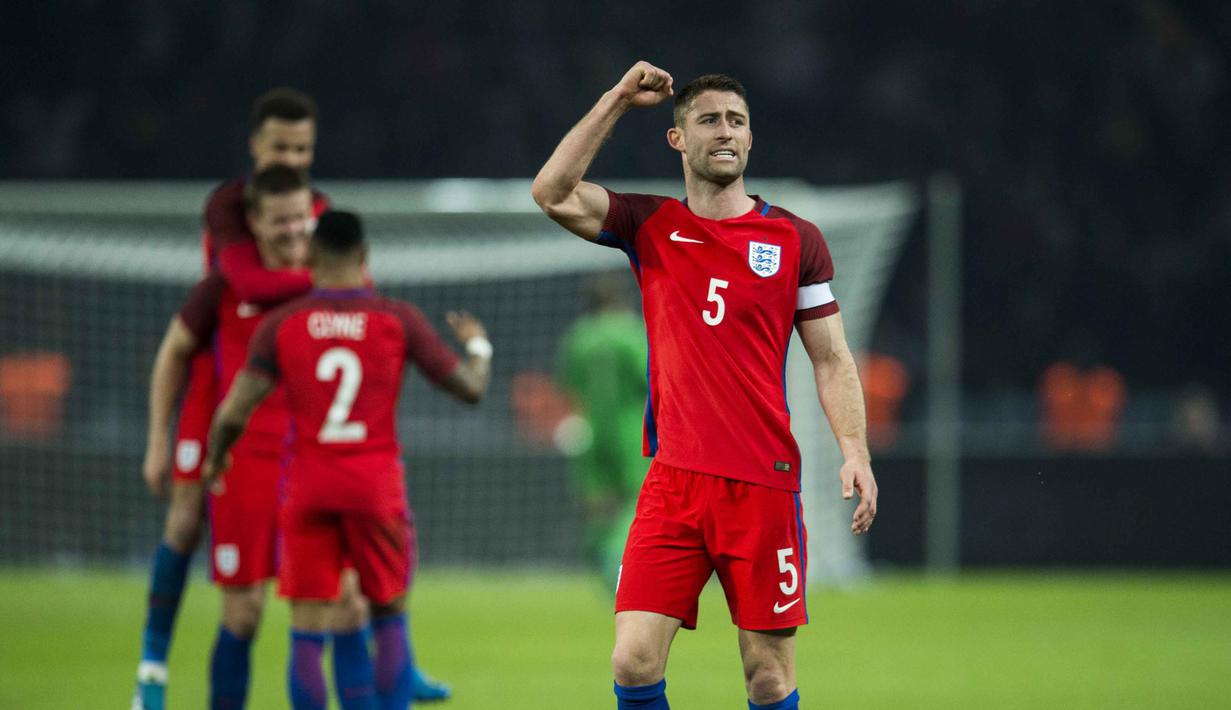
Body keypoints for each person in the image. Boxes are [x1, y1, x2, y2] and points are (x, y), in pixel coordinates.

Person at [531, 62, 878, 709]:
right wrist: (614, 101)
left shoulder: (794, 239)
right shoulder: (650, 226)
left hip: (762, 484)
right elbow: (551, 191)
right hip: (673, 483)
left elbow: (829, 358)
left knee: (768, 677)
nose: (725, 132)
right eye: (709, 120)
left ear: (750, 140)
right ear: (678, 139)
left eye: (737, 122)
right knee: (632, 662)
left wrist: (853, 451)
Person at [134, 90, 449, 708]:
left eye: (303, 148)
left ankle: (398, 664)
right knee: (218, 569)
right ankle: (151, 670)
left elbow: (375, 330)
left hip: (310, 448)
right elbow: (228, 299)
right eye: (281, 147)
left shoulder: (323, 221)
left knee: (351, 599)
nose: (294, 159)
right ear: (256, 149)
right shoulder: (230, 221)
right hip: (234, 422)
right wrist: (158, 442)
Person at [201, 210, 491, 710]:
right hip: (375, 483)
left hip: (309, 483)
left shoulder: (281, 324)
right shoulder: (398, 319)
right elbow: (470, 390)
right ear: (364, 256)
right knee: (388, 613)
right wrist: (478, 346)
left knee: (308, 631)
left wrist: (216, 459)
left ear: (312, 258)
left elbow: (233, 411)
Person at [556, 274, 650, 593]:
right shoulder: (631, 334)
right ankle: (615, 564)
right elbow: (649, 379)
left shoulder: (578, 338)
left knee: (596, 503)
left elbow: (569, 387)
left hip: (590, 431)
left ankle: (597, 558)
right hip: (630, 431)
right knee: (637, 500)